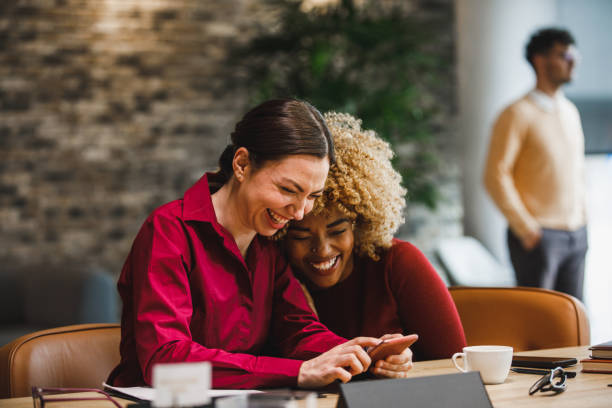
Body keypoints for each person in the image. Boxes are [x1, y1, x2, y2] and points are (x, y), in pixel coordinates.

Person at [106, 99, 414, 390]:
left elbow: (297, 329)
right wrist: (298, 372)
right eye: (288, 189)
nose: (299, 212)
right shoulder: (168, 232)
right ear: (241, 164)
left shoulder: (266, 241)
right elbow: (166, 363)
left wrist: (359, 353)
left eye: (312, 196)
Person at [281, 112, 466, 362]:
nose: (322, 250)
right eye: (301, 236)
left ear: (360, 224)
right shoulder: (275, 277)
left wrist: (405, 363)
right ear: (281, 232)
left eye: (337, 231)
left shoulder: (397, 263)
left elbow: (454, 363)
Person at [483, 28, 587, 300]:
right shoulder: (516, 113)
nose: (572, 61)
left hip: (576, 234)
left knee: (574, 318)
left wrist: (583, 219)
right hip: (538, 237)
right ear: (540, 60)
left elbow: (576, 173)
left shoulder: (571, 112)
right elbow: (495, 175)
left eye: (573, 54)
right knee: (539, 318)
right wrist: (526, 228)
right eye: (563, 54)